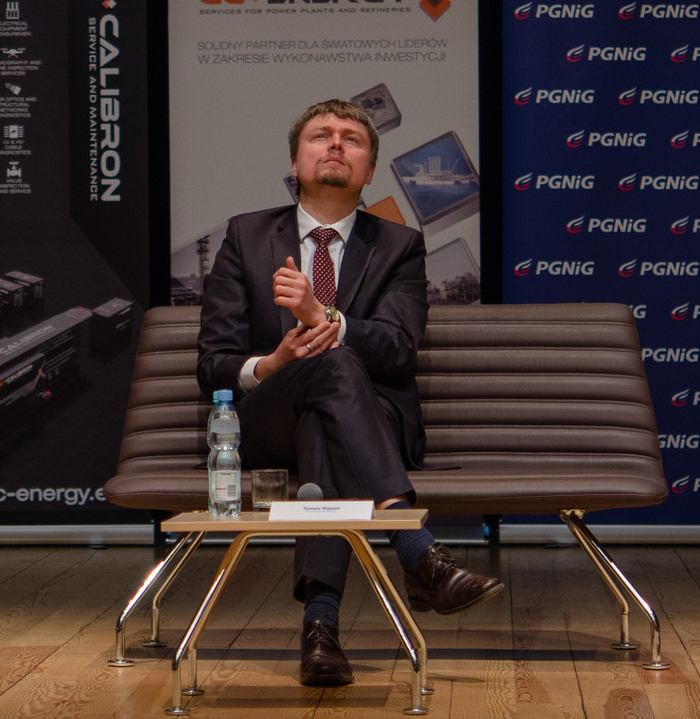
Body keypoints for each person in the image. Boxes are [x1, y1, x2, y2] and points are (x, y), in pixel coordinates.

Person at [196, 98, 503, 687]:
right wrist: (274, 362)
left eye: (351, 138)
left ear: (368, 172)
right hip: (265, 424)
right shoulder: (246, 236)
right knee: (327, 372)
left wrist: (326, 319)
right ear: (295, 163)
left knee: (328, 406)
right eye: (320, 135)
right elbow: (212, 364)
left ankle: (321, 630)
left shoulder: (399, 245)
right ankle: (417, 551)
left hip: (364, 425)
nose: (335, 143)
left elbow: (397, 348)